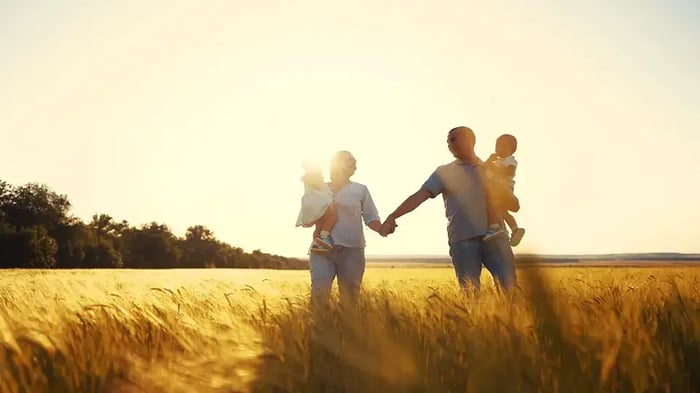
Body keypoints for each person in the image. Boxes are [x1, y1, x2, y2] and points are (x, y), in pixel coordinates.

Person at [380, 126, 519, 292]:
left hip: (496, 239)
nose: (449, 144)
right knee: (469, 294)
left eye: (453, 139)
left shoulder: (492, 170)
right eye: (447, 141)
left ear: (470, 141)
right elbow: (419, 196)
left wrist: (491, 180)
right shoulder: (444, 172)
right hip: (462, 241)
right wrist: (393, 216)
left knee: (510, 291)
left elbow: (514, 205)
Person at [308, 151, 385, 304]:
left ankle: (347, 328)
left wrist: (383, 229)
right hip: (321, 249)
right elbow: (307, 220)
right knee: (319, 294)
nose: (353, 166)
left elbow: (371, 218)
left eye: (354, 164)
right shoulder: (317, 188)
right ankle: (317, 327)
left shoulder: (360, 190)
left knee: (350, 300)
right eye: (349, 162)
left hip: (352, 251)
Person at [482, 134, 526, 246]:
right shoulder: (495, 161)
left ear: (512, 150)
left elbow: (509, 171)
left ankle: (495, 228)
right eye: (497, 146)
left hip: (504, 189)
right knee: (503, 212)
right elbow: (482, 168)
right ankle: (515, 229)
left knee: (494, 206)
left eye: (504, 146)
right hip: (495, 189)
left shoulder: (510, 160)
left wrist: (493, 168)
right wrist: (489, 160)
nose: (499, 149)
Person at [295, 159, 337, 254]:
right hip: (318, 201)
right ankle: (323, 237)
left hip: (312, 202)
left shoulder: (308, 177)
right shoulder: (314, 177)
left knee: (319, 224)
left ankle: (315, 243)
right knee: (333, 217)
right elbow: (319, 189)